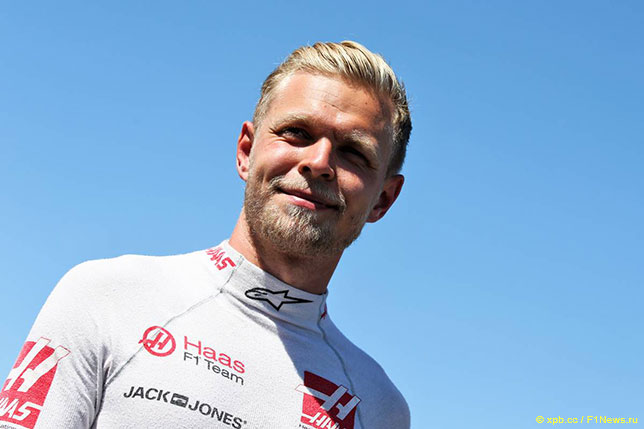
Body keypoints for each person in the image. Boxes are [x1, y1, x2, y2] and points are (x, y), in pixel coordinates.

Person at [0, 41, 412, 429]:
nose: (318, 162)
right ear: (246, 151)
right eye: (297, 133)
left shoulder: (378, 406)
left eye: (353, 152)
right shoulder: (106, 297)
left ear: (383, 200)